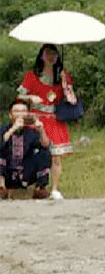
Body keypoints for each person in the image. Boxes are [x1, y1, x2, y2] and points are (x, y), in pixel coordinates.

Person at [17, 44, 76, 199]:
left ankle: (55, 188)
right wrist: (30, 97)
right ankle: (34, 185)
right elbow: (19, 96)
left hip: (54, 119)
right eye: (47, 53)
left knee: (55, 156)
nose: (51, 57)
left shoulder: (61, 77)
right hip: (36, 118)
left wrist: (66, 86)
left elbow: (71, 99)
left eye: (54, 54)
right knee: (35, 153)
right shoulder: (31, 76)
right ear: (41, 56)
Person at [1, 99, 51, 199]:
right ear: (10, 115)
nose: (20, 114)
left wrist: (41, 130)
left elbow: (46, 145)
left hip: (26, 168)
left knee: (44, 153)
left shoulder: (32, 130)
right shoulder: (4, 129)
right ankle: (1, 188)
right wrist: (13, 129)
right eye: (16, 111)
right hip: (8, 168)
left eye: (23, 111)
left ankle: (41, 187)